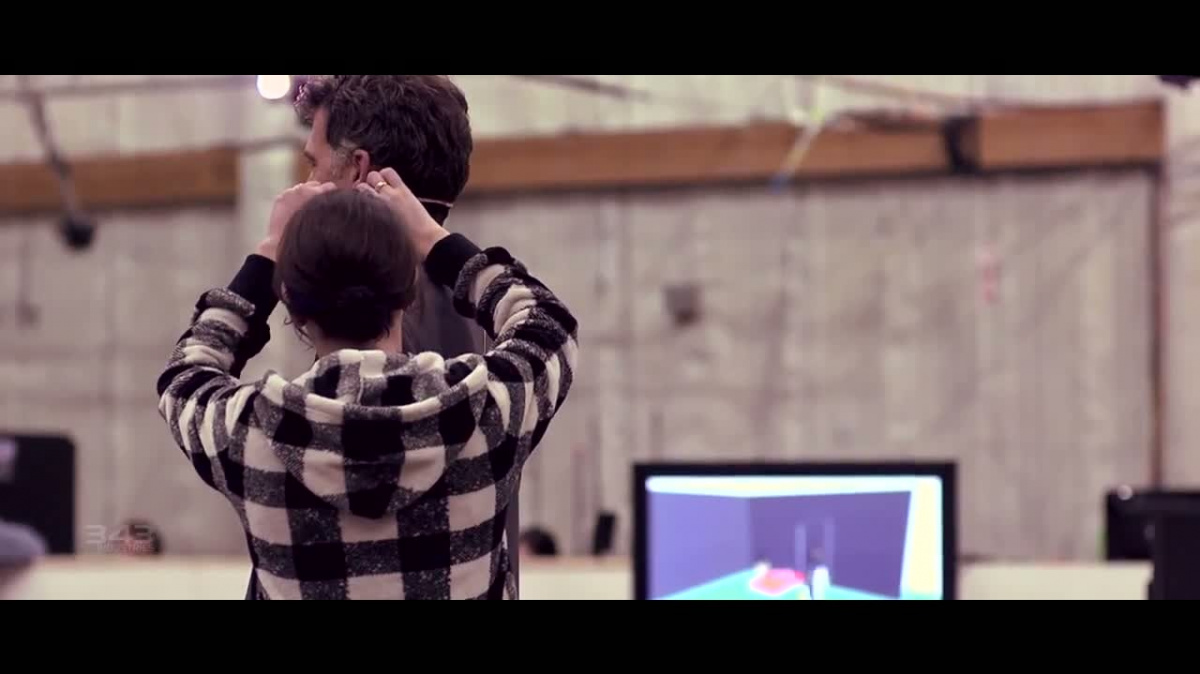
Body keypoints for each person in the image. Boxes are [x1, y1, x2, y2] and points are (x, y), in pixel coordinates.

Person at [155, 170, 578, 600]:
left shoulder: (249, 435)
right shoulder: (486, 414)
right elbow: (548, 324)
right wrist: (434, 241)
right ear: (410, 289)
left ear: (290, 302)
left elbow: (186, 373)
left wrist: (265, 256)